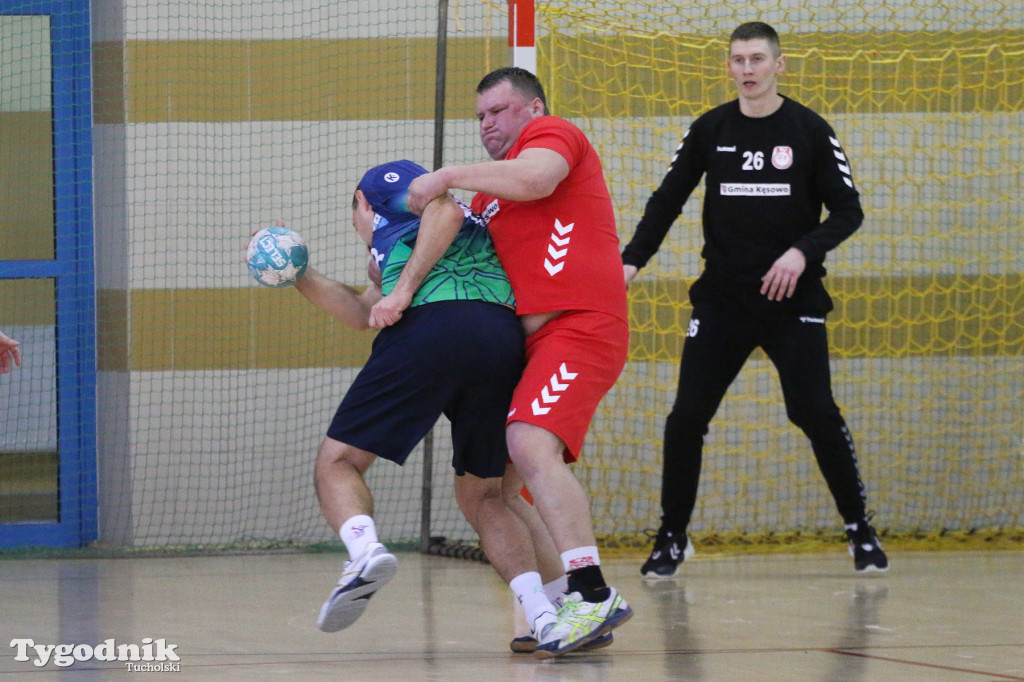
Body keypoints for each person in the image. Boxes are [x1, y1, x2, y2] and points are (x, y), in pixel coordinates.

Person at [621, 21, 889, 577]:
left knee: (813, 411)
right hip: (722, 303)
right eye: (738, 60)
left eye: (757, 60)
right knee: (686, 417)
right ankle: (672, 535)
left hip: (793, 304)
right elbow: (667, 199)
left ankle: (858, 528)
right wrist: (632, 259)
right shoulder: (710, 129)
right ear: (729, 66)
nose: (747, 69)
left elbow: (848, 210)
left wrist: (801, 252)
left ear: (778, 66)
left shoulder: (810, 130)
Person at [405, 67, 633, 658]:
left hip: (578, 328)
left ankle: (593, 591)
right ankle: (563, 607)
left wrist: (446, 175)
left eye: (499, 111)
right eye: (479, 116)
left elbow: (536, 180)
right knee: (493, 490)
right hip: (526, 349)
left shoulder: (555, 137)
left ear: (533, 109)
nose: (487, 125)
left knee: (531, 445)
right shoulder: (485, 198)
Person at [290, 159, 563, 643]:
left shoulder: (390, 189)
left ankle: (363, 551)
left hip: (430, 328)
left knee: (338, 463)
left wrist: (404, 293)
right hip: (499, 339)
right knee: (484, 496)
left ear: (362, 204)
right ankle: (543, 615)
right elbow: (360, 310)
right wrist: (299, 273)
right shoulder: (388, 253)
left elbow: (444, 209)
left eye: (352, 214)